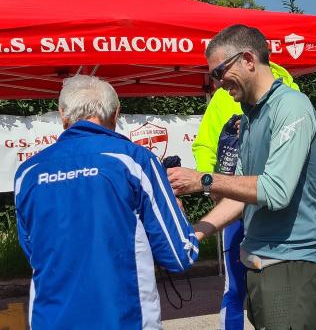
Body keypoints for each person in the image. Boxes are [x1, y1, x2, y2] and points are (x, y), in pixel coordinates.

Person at [168, 24, 316, 329]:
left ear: (248, 60)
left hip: (292, 263)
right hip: (261, 263)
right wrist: (195, 233)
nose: (216, 84)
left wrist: (204, 179)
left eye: (219, 72)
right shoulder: (249, 116)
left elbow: (276, 190)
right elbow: (241, 195)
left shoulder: (292, 107)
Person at [14, 75, 198, 329]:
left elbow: (34, 251)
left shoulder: (27, 172)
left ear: (62, 115)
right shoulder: (136, 160)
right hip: (124, 319)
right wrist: (178, 216)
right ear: (116, 113)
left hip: (49, 319)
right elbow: (179, 255)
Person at [192, 62, 299, 330]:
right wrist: (211, 187)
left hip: (281, 211)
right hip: (237, 207)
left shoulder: (291, 94)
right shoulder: (223, 96)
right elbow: (205, 144)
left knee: (284, 291)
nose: (226, 86)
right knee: (236, 288)